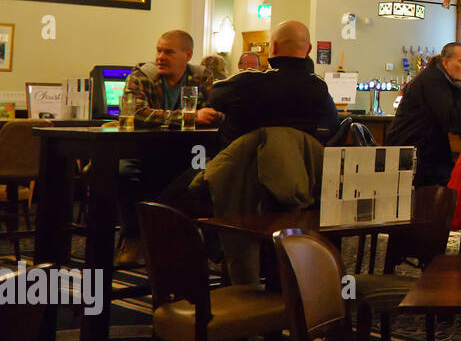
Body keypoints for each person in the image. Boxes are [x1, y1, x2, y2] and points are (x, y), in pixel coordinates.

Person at [114, 30, 219, 265]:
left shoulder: (202, 77)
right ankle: (133, 238)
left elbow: (215, 111)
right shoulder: (142, 75)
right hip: (141, 150)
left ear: (188, 55)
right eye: (159, 51)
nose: (160, 57)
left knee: (207, 177)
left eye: (168, 52)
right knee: (124, 175)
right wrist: (186, 116)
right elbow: (137, 113)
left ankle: (201, 243)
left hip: (186, 152)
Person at [203, 20, 340, 147]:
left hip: (242, 169)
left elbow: (213, 97)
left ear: (273, 47)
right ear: (308, 50)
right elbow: (333, 124)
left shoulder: (246, 82)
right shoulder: (318, 88)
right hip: (298, 170)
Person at [388, 42, 461, 187]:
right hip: (412, 154)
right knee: (458, 186)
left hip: (428, 152)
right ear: (445, 62)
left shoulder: (448, 82)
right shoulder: (432, 82)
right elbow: (453, 121)